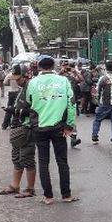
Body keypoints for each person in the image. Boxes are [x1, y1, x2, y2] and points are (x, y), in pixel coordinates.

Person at [25, 55, 79, 205]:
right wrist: (69, 125)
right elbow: (72, 104)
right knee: (62, 161)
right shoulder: (63, 81)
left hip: (39, 127)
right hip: (59, 128)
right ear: (53, 67)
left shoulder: (33, 82)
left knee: (43, 162)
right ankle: (66, 195)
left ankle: (48, 197)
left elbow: (28, 103)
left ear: (40, 67)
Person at [0, 64, 37, 199]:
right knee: (17, 158)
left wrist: (17, 111)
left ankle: (30, 188)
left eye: (18, 78)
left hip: (27, 127)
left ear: (26, 75)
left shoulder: (33, 87)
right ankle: (15, 185)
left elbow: (36, 110)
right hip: (18, 127)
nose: (16, 81)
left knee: (27, 158)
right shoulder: (23, 87)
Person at [92, 60, 112, 145]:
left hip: (104, 104)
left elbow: (97, 91)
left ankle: (95, 135)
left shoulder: (102, 79)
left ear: (106, 68)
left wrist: (97, 101)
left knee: (98, 120)